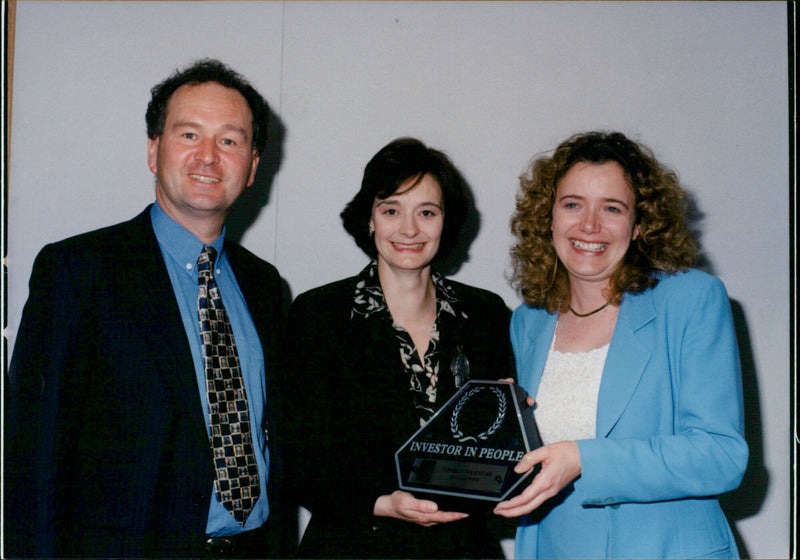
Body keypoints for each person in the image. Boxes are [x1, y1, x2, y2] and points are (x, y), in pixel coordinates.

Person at [4, 59, 288, 558]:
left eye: (229, 140)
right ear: (154, 150)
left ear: (252, 166)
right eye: (189, 135)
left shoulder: (265, 285)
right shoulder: (80, 271)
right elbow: (32, 456)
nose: (208, 156)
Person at [492, 131, 749, 558]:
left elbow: (720, 455)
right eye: (572, 204)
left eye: (612, 208)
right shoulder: (528, 321)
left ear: (639, 225)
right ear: (548, 218)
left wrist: (585, 459)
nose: (589, 225)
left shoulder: (691, 300)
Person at [281, 137, 516, 558]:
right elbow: (295, 456)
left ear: (446, 221)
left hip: (461, 548)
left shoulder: (486, 314)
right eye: (391, 210)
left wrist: (517, 424)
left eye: (427, 212)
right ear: (369, 219)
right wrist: (381, 503)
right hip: (352, 546)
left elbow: (498, 458)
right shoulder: (318, 315)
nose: (409, 230)